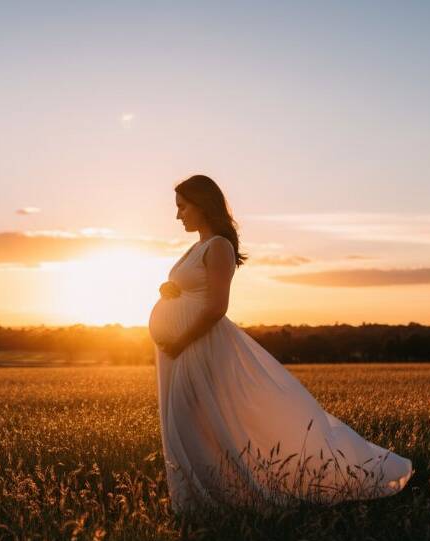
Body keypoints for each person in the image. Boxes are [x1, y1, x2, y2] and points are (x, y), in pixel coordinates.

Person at [148, 174, 413, 513]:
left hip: (198, 347)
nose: (177, 215)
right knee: (186, 423)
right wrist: (169, 290)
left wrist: (181, 341)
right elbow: (193, 288)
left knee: (191, 422)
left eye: (182, 207)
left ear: (202, 204)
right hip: (180, 349)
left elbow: (216, 307)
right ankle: (201, 503)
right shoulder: (195, 247)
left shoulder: (219, 246)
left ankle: (226, 500)